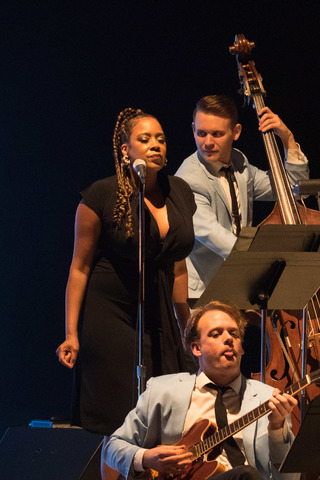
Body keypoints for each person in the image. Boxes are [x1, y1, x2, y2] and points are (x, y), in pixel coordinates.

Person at [56, 108, 196, 480]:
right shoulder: (100, 195)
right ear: (124, 150)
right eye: (145, 139)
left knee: (164, 412)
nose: (155, 145)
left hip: (161, 314)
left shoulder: (179, 192)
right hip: (111, 314)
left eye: (161, 139)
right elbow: (79, 267)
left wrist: (187, 327)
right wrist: (71, 333)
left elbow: (178, 266)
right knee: (121, 414)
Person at [103, 300, 299, 480]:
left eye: (234, 334)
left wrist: (276, 429)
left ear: (242, 348)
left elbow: (289, 478)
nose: (229, 339)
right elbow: (112, 448)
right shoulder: (162, 390)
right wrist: (147, 457)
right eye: (216, 334)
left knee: (245, 475)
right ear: (196, 348)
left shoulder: (268, 399)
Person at [175, 94, 309, 298]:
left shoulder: (239, 163)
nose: (207, 142)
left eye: (217, 134)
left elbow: (293, 188)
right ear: (193, 129)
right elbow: (215, 237)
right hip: (205, 294)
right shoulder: (188, 180)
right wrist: (268, 261)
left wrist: (287, 139)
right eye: (201, 133)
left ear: (236, 132)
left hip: (239, 283)